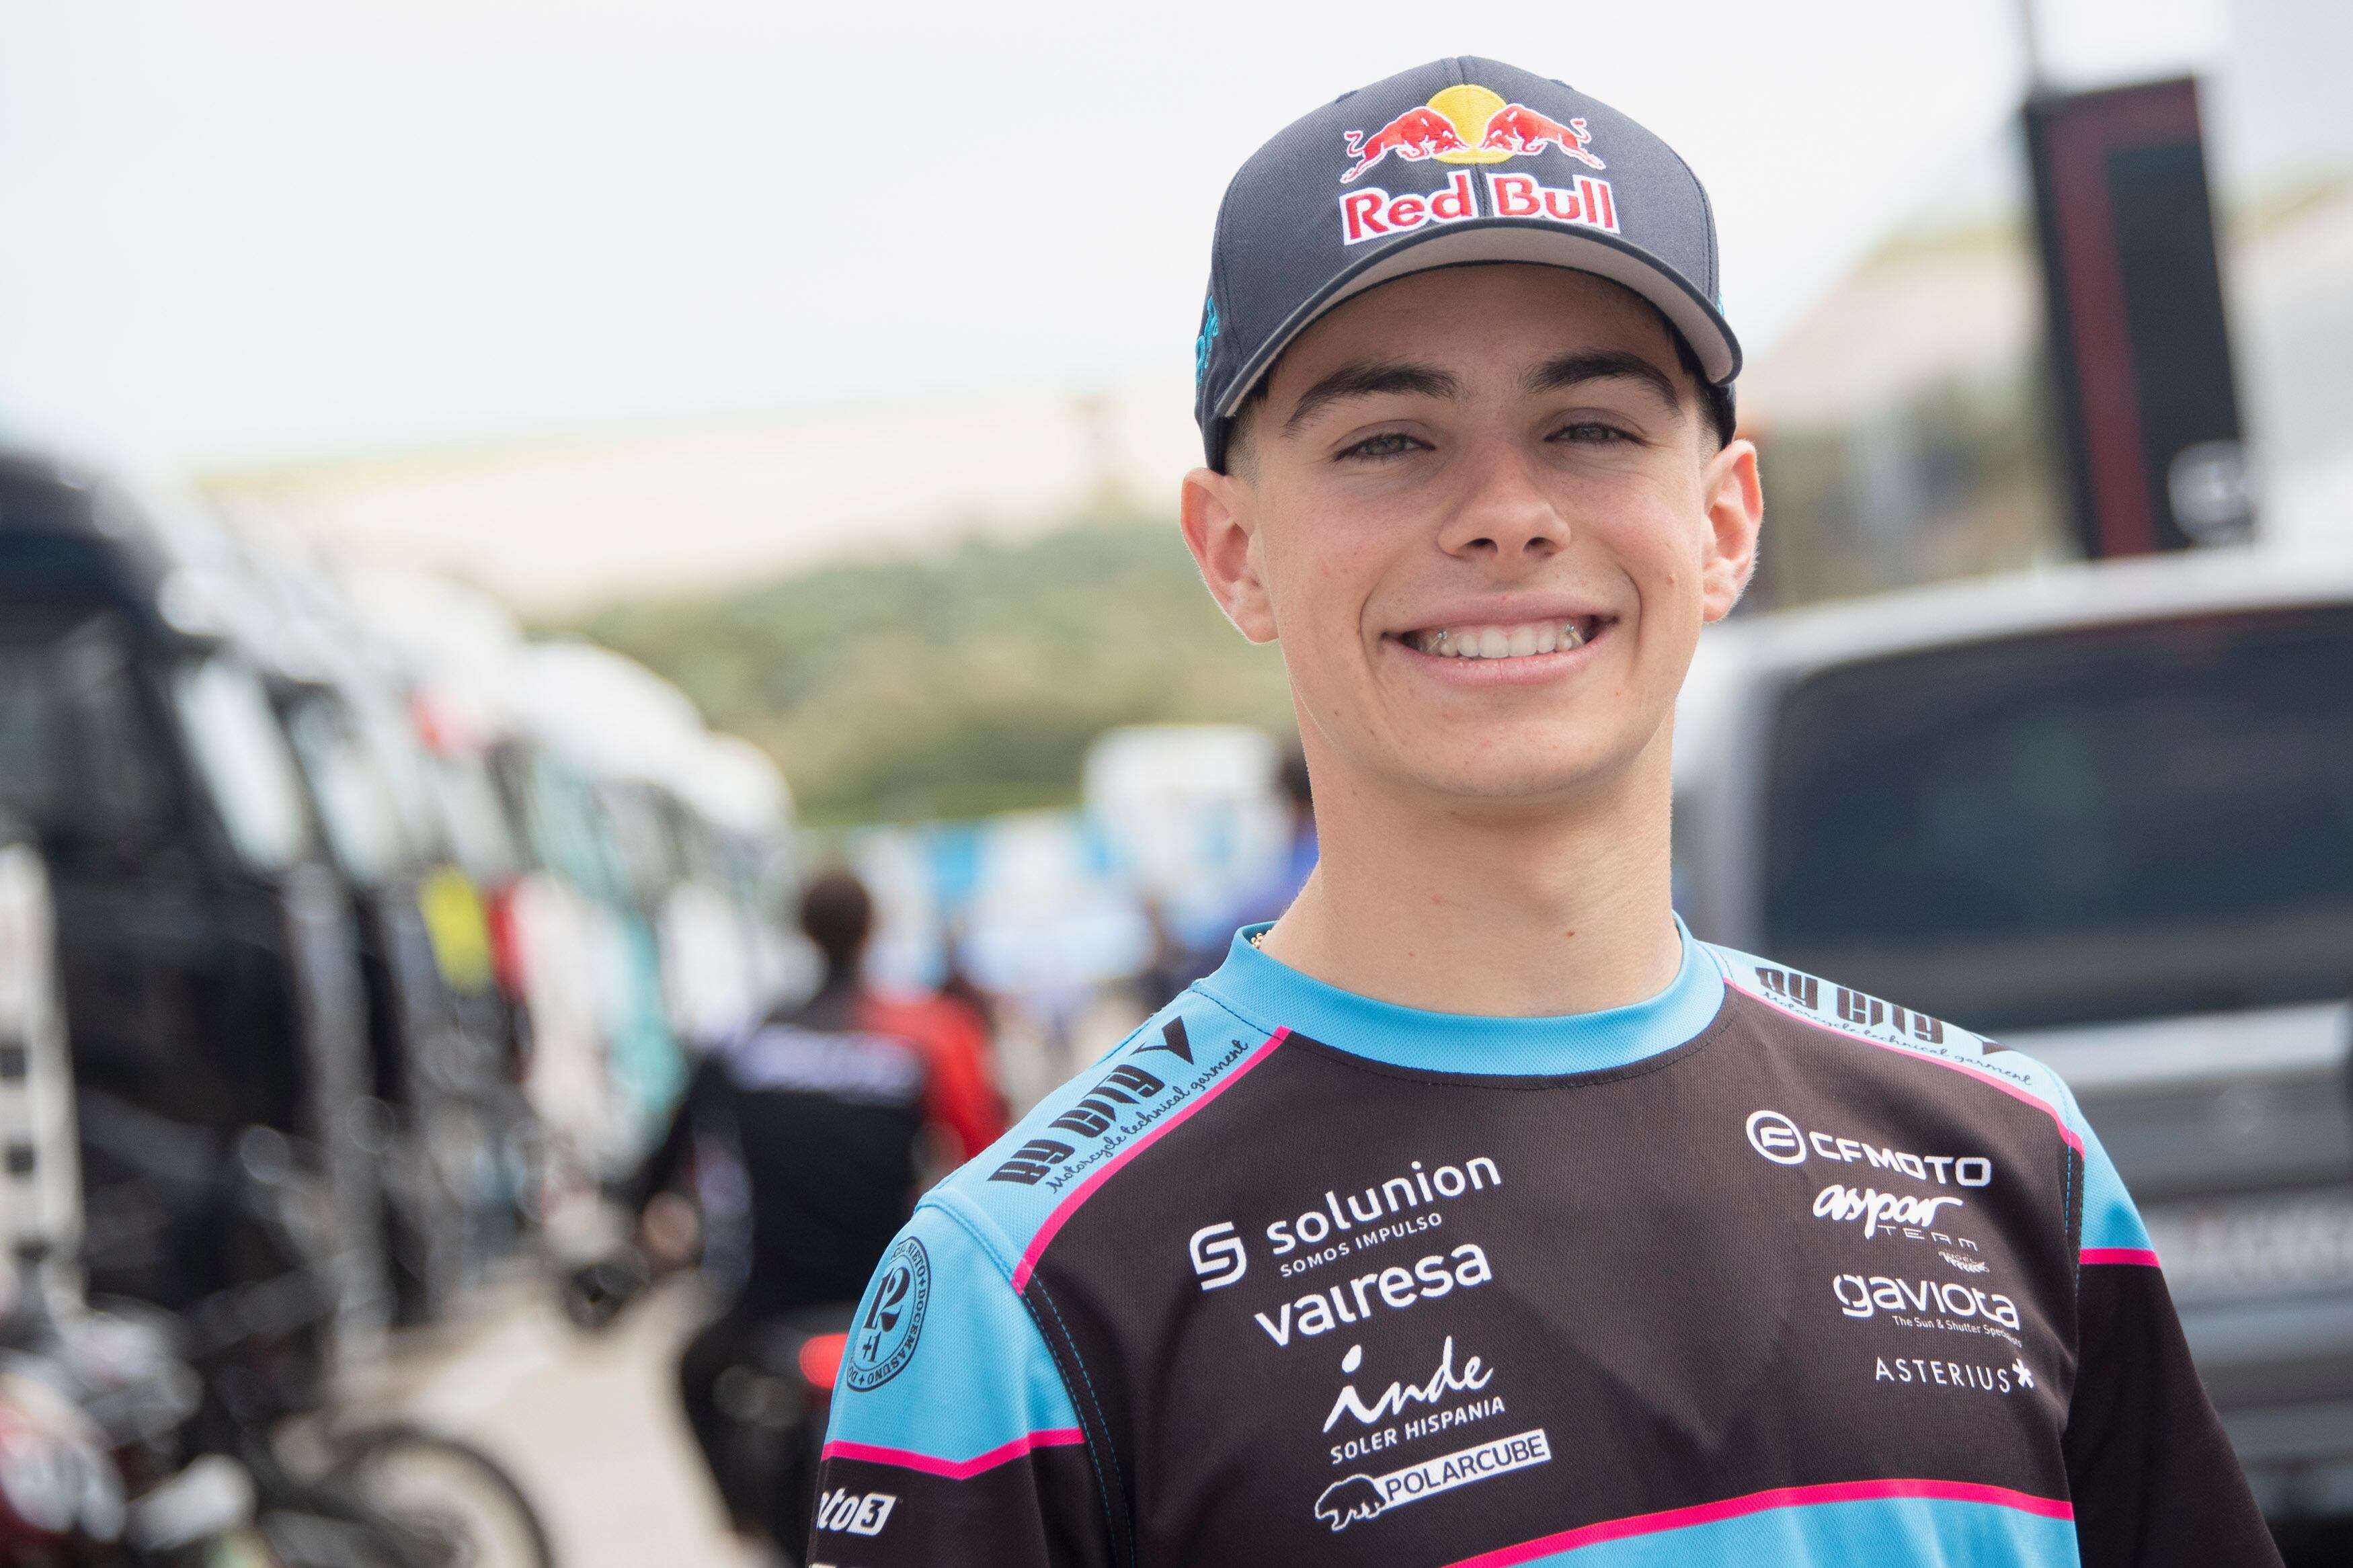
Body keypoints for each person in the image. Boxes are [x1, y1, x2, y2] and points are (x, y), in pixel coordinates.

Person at [809, 58, 2278, 1568]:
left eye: (1589, 426)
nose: (1507, 509)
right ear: (1234, 549)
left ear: (1721, 523)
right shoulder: (1030, 1293)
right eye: (1389, 438)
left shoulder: (2013, 1164)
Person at [625, 868, 1002, 1539]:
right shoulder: (924, 1035)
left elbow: (663, 1158)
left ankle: (741, 1517)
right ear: (871, 930)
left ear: (800, 929)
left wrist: (644, 1218)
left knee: (691, 1371)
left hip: (769, 1302)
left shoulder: (743, 1039)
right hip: (895, 1298)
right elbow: (988, 1158)